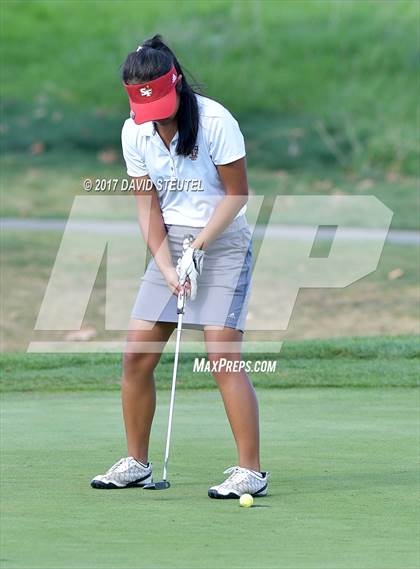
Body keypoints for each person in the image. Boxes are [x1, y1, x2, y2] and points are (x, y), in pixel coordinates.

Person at [91, 34, 269, 499]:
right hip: (171, 243)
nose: (156, 118)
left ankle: (250, 471)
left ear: (178, 86)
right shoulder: (135, 130)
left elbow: (237, 195)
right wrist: (168, 265)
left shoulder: (214, 121)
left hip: (224, 240)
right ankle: (136, 462)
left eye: (163, 105)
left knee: (221, 356)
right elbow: (146, 205)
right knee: (136, 356)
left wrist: (200, 247)